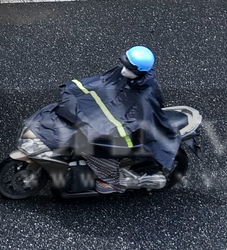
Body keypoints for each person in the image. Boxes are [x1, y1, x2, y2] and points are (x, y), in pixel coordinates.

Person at [22, 45, 182, 192]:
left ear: (139, 71)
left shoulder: (145, 97)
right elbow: (101, 83)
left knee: (92, 150)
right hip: (113, 117)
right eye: (124, 64)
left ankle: (115, 182)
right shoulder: (127, 74)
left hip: (128, 136)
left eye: (129, 68)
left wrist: (99, 129)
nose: (123, 71)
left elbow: (132, 125)